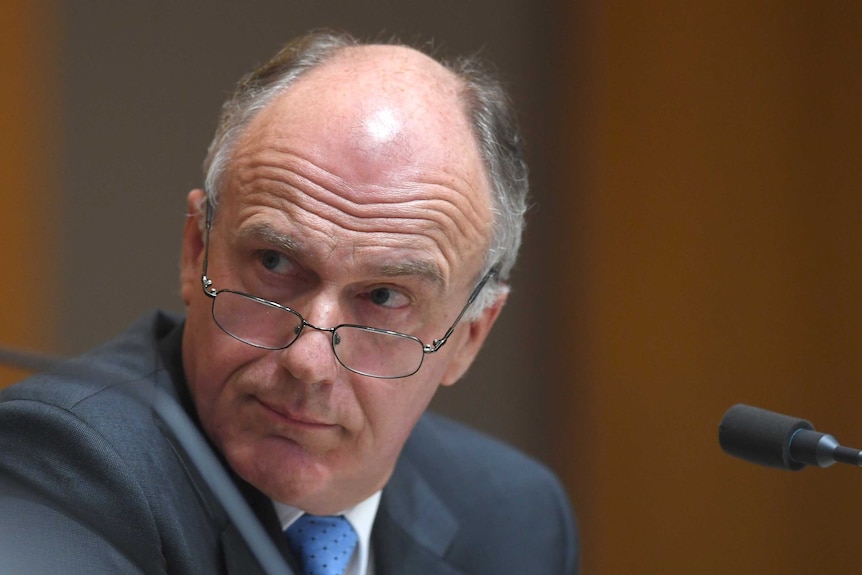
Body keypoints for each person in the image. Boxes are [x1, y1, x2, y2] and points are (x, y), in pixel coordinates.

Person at [0, 30, 579, 574]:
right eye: (275, 264)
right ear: (197, 248)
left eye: (383, 297)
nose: (308, 359)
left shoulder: (514, 517)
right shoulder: (67, 467)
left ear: (468, 336)